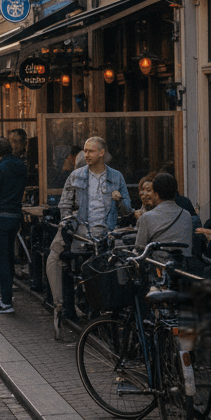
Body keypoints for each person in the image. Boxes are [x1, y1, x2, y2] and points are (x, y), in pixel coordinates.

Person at [53, 136, 129, 332]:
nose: (86, 154)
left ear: (101, 153)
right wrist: (68, 223)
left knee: (106, 274)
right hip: (82, 235)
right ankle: (76, 309)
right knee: (81, 272)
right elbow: (65, 204)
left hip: (107, 234)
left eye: (91, 151)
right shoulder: (76, 176)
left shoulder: (117, 177)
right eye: (85, 151)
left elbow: (127, 211)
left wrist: (119, 200)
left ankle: (103, 314)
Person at [0, 138, 29, 317]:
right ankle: (7, 296)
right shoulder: (21, 166)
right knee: (9, 257)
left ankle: (6, 300)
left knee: (1, 259)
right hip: (15, 215)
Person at [134, 171, 193, 256]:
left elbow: (139, 250)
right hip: (183, 266)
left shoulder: (146, 217)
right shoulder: (187, 215)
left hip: (159, 266)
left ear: (156, 194)